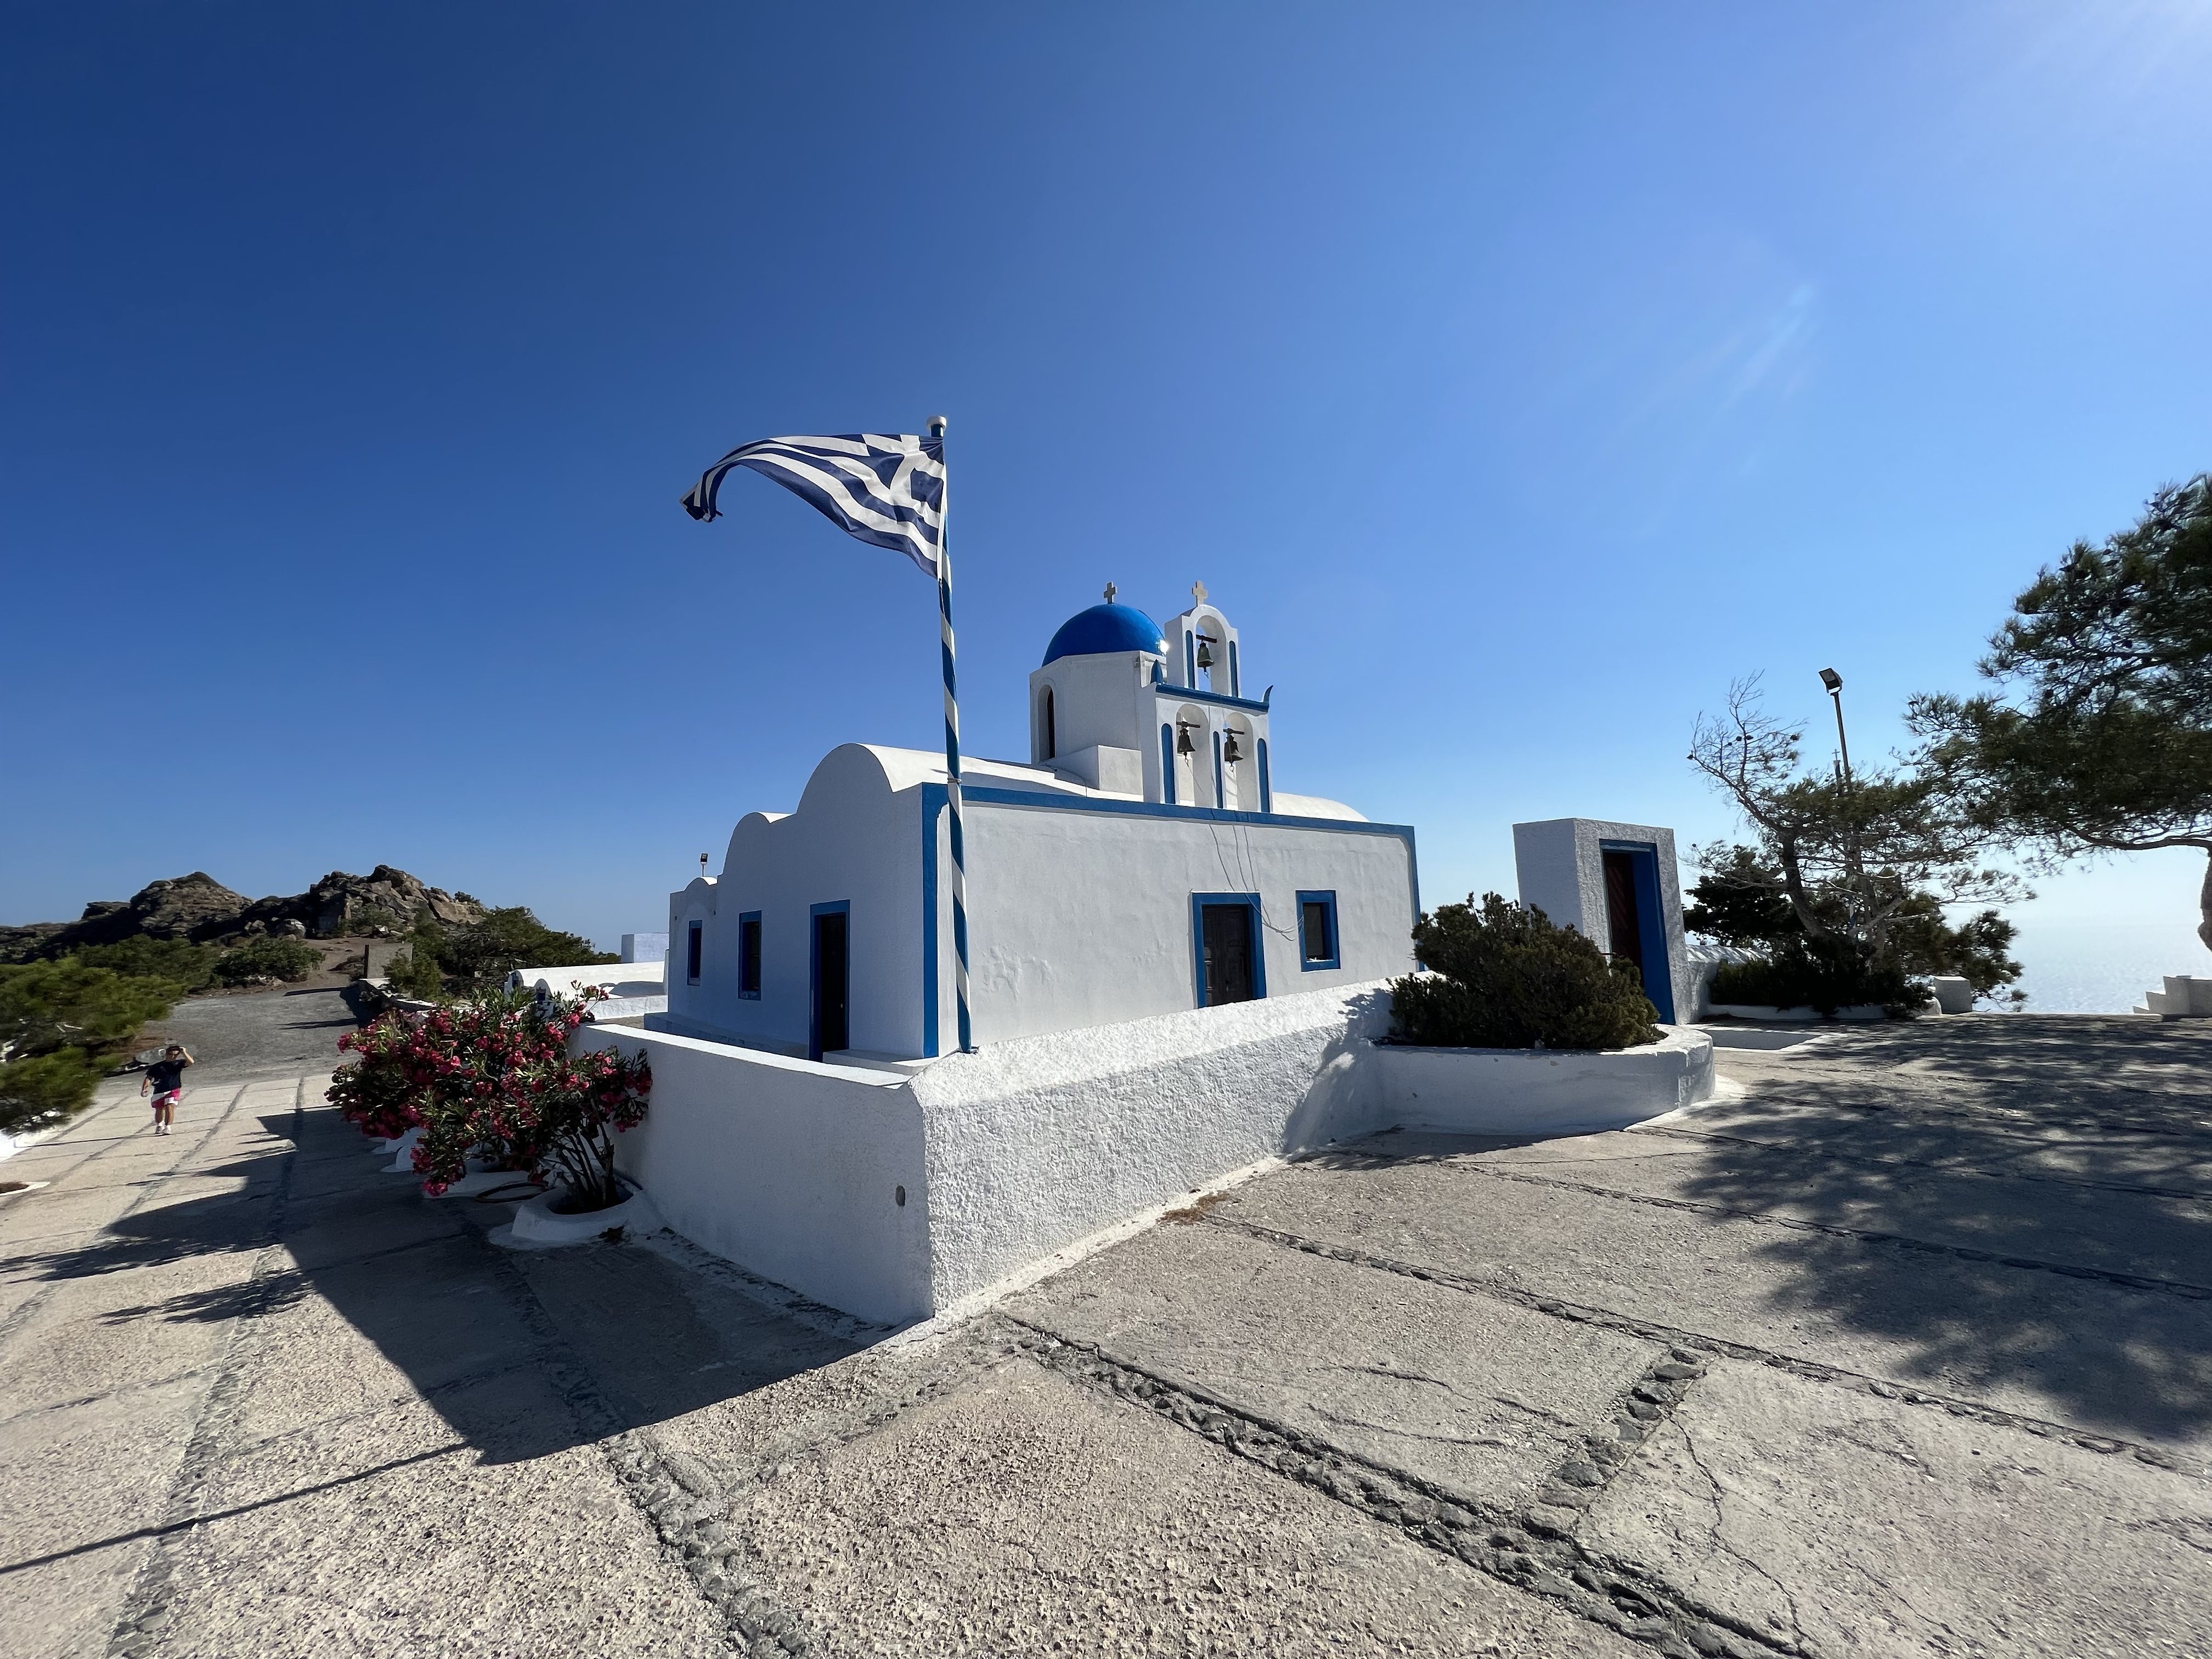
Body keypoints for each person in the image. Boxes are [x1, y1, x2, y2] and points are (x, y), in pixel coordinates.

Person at [141, 1043, 193, 1135]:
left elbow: (191, 1062)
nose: (172, 1057)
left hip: (173, 1089)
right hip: (159, 1090)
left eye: (175, 1055)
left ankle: (168, 1127)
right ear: (166, 1054)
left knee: (170, 1106)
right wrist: (145, 1088)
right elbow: (149, 1078)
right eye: (170, 1054)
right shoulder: (157, 1066)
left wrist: (184, 1052)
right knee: (159, 1109)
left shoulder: (178, 1064)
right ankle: (159, 1125)